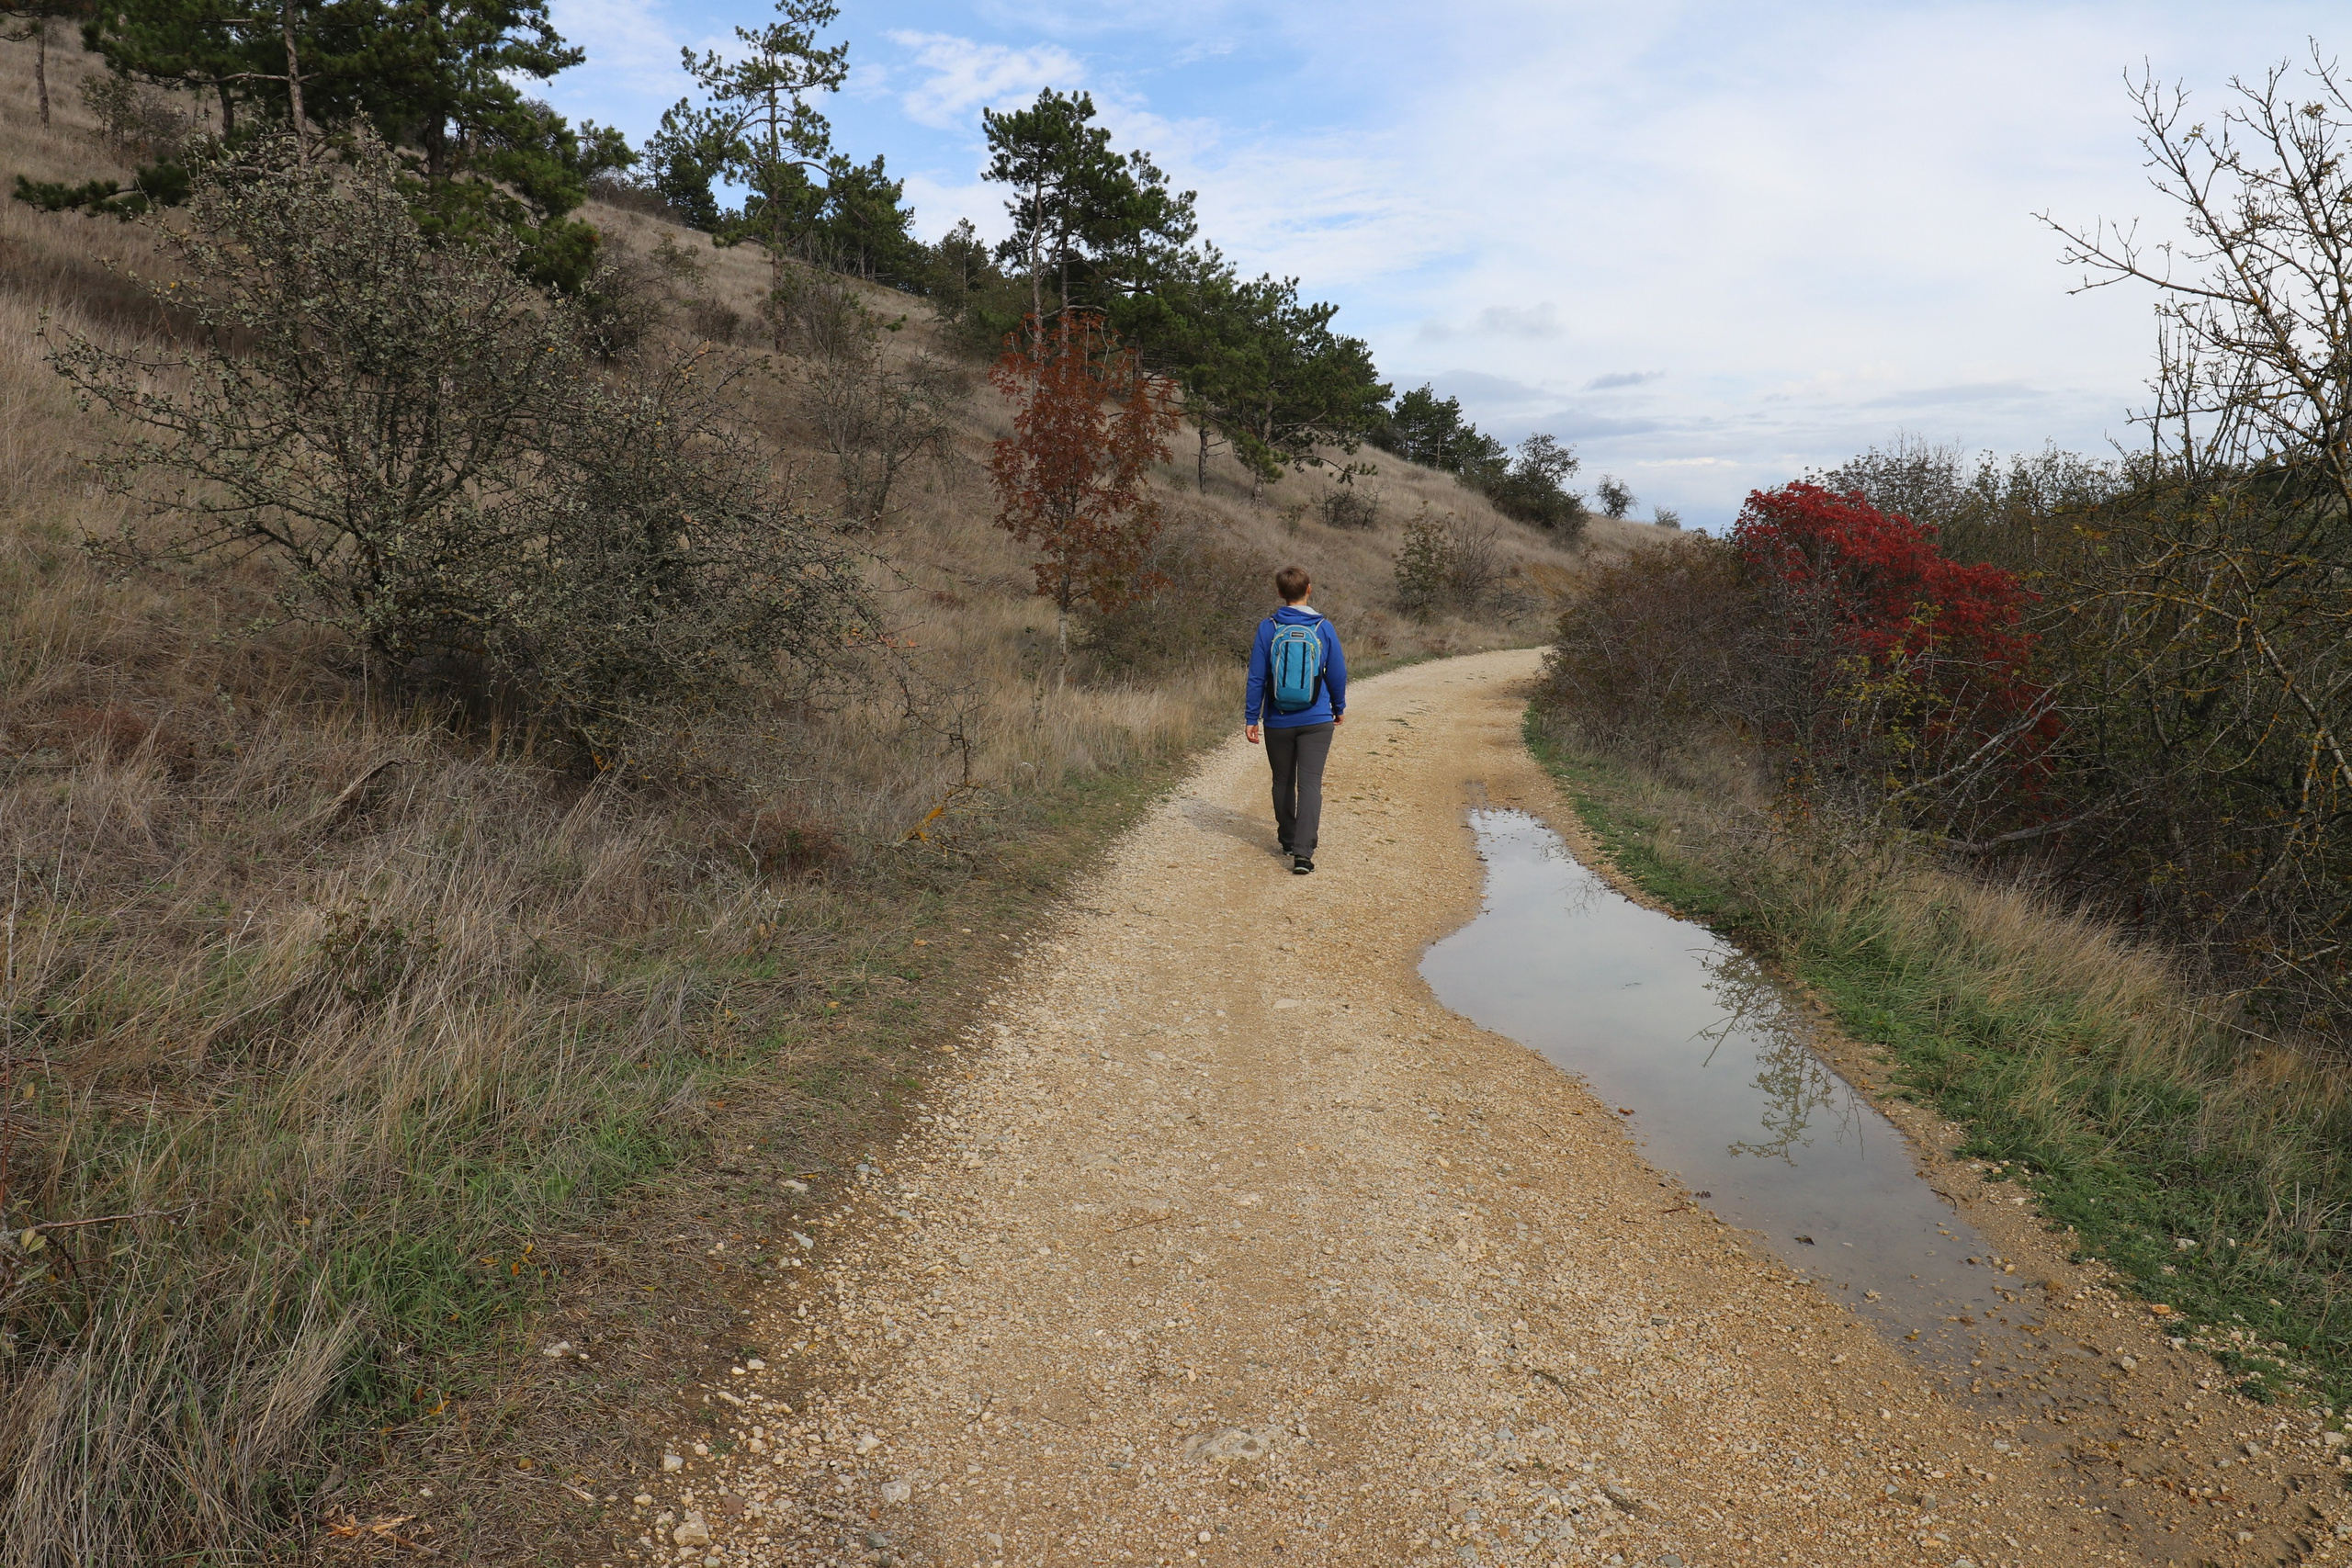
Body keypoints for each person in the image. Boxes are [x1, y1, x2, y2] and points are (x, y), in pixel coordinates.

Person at [1244, 565, 1347, 874]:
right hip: (1317, 719)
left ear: (1280, 593)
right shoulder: (1323, 627)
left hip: (1278, 719)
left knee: (1282, 781)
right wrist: (1338, 706)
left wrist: (1252, 717)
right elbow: (1337, 673)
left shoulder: (1269, 627)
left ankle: (1288, 840)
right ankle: (1303, 854)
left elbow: (1257, 677)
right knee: (1310, 784)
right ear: (1309, 589)